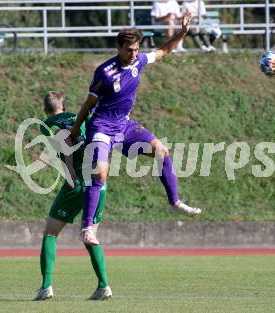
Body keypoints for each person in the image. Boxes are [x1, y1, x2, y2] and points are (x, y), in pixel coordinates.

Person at [70, 11, 202, 246]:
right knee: (100, 174)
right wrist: (74, 131)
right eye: (129, 50)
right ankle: (88, 228)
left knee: (162, 151)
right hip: (101, 127)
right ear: (119, 48)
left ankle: (174, 203)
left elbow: (163, 51)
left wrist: (182, 32)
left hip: (125, 125)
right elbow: (88, 104)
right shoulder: (104, 72)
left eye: (136, 49)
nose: (134, 54)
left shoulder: (139, 61)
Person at [33, 91, 112, 301]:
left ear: (45, 109)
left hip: (75, 182)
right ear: (65, 105)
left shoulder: (46, 124)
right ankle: (103, 285)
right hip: (97, 180)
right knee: (90, 235)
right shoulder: (83, 116)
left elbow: (66, 143)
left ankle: (46, 286)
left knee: (50, 233)